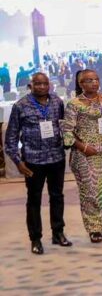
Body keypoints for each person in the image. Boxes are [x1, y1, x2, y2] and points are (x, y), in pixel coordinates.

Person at [5, 72, 70, 254]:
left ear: (50, 85)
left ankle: (58, 233)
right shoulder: (20, 106)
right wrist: (18, 162)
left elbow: (63, 126)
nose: (42, 87)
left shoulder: (57, 102)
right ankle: (35, 239)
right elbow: (11, 138)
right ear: (30, 86)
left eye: (45, 83)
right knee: (34, 199)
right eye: (37, 84)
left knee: (57, 196)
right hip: (33, 161)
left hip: (56, 158)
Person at [62, 69, 102, 243]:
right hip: (86, 154)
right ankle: (94, 227)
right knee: (91, 191)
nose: (94, 82)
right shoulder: (74, 104)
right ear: (81, 83)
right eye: (89, 80)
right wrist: (83, 147)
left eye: (96, 79)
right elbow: (67, 131)